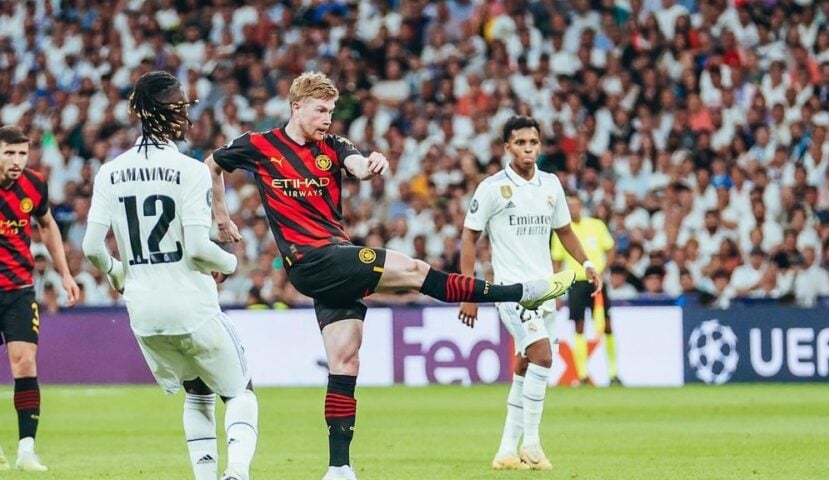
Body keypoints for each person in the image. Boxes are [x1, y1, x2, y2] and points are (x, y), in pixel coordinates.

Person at [206, 72, 574, 480]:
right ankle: (519, 292)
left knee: (345, 359)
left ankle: (339, 468)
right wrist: (221, 217)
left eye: (330, 111)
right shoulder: (259, 145)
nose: (327, 119)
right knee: (415, 270)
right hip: (312, 259)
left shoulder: (333, 146)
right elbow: (212, 165)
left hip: (335, 259)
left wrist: (370, 165)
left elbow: (357, 165)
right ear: (297, 107)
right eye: (320, 110)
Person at [81, 71, 258, 480]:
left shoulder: (110, 171)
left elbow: (92, 247)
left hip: (143, 313)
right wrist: (229, 263)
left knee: (197, 392)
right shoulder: (190, 170)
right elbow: (197, 250)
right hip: (190, 305)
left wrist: (115, 272)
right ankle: (237, 474)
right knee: (239, 392)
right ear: (176, 116)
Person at [458, 116, 601, 471]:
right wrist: (469, 291)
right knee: (542, 356)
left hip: (546, 289)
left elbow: (565, 231)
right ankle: (533, 447)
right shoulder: (492, 188)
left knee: (525, 364)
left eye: (533, 143)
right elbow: (468, 237)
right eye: (520, 143)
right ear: (507, 147)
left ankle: (507, 451)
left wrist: (587, 264)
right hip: (512, 291)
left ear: (540, 145)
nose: (527, 149)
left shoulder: (551, 185)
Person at [0, 125, 79, 472]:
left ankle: (26, 450)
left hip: (18, 288)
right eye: (9, 153)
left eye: (22, 153)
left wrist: (64, 273)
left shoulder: (34, 184)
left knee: (25, 362)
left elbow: (46, 225)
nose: (17, 160)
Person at [550, 192, 615, 385]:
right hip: (576, 282)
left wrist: (602, 271)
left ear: (581, 206)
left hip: (597, 280)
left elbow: (610, 250)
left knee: (607, 324)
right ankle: (582, 374)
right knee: (579, 325)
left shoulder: (596, 225)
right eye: (569, 206)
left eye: (575, 205)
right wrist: (557, 290)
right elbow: (556, 262)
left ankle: (613, 373)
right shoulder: (562, 231)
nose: (572, 209)